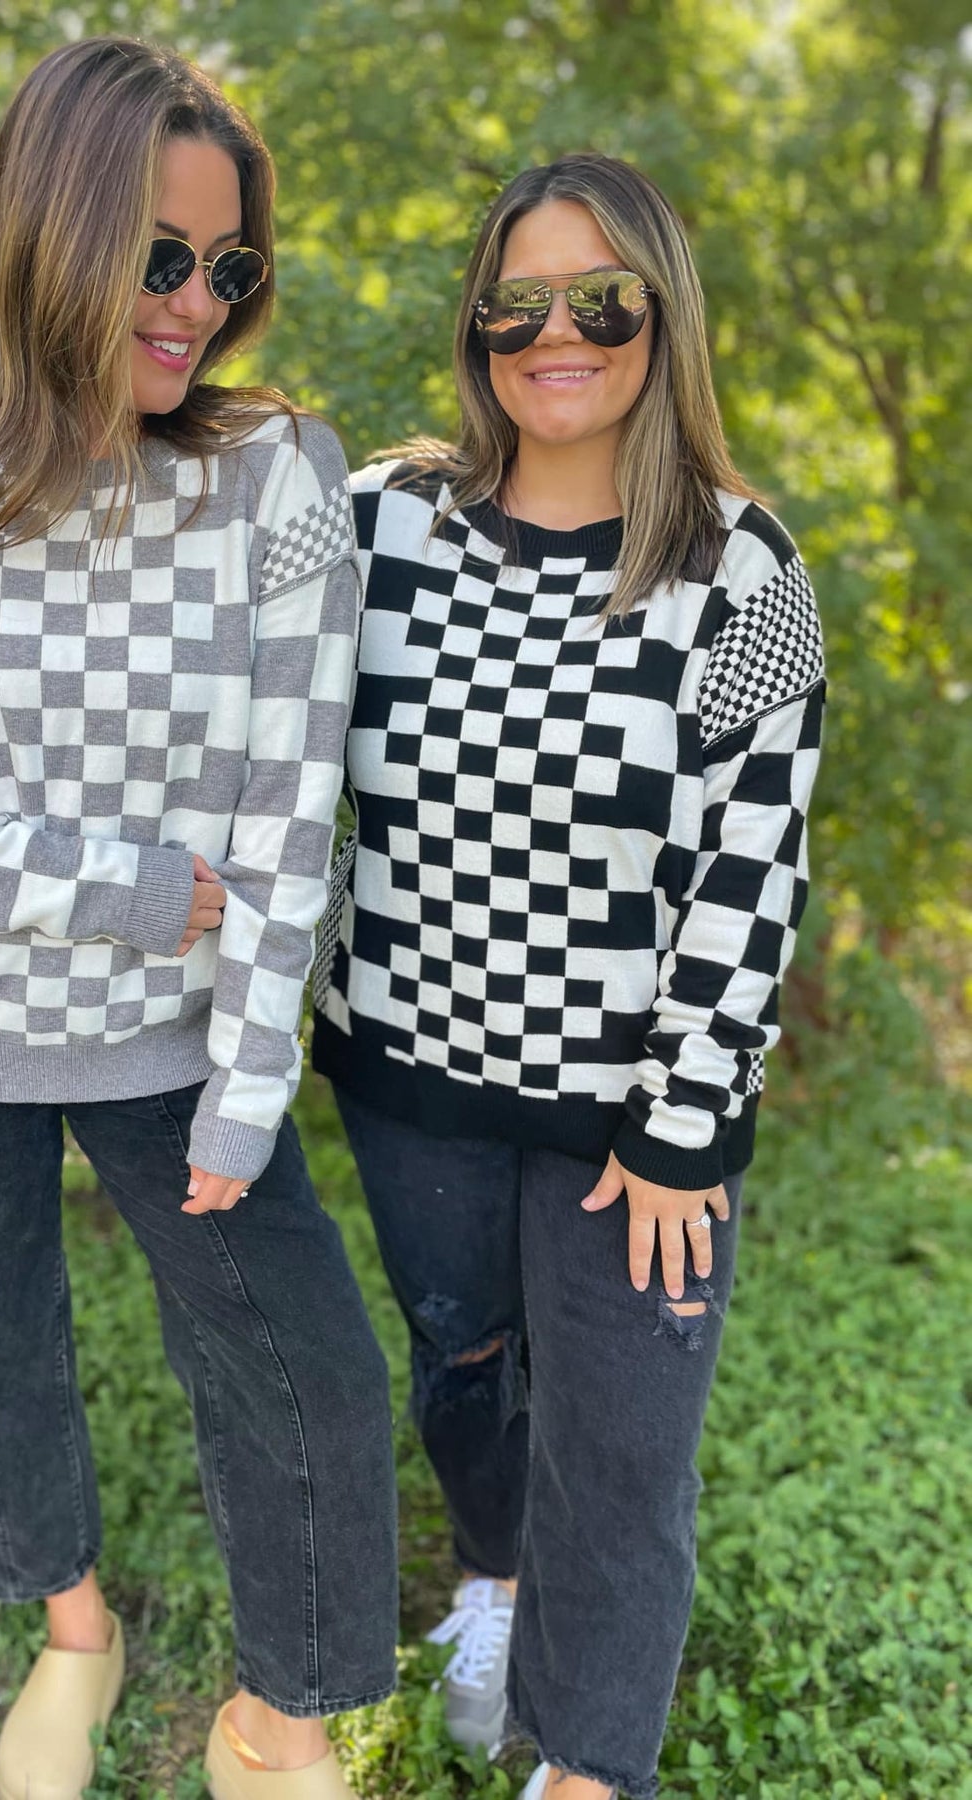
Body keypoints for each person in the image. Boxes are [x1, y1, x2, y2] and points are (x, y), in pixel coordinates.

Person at [0, 36, 398, 1800]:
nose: (198, 304)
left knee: (306, 1378)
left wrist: (247, 1079)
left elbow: (291, 798)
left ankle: (279, 1721)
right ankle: (75, 1633)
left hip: (175, 1039)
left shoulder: (276, 482)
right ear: (50, 236)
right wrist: (114, 889)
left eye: (229, 267)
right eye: (159, 257)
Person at [311, 153, 824, 1800]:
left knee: (620, 1446)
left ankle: (590, 1765)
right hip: (411, 1069)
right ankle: (494, 1575)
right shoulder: (381, 523)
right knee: (462, 1365)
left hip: (628, 1118)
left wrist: (682, 1126)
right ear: (474, 327)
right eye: (514, 302)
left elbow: (751, 867)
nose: (556, 335)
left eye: (601, 300)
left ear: (662, 318)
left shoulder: (739, 569)